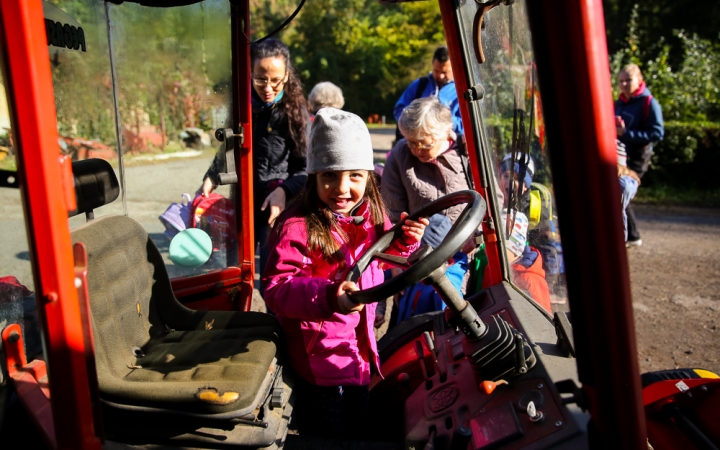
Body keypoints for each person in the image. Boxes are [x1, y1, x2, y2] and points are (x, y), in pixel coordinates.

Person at [262, 108, 428, 439]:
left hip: (359, 347)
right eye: (329, 176)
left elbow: (381, 260)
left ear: (369, 177)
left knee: (355, 424)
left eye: (354, 176)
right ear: (313, 177)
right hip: (319, 357)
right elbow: (277, 289)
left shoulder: (370, 215)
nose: (342, 188)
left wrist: (406, 241)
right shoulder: (297, 225)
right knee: (327, 433)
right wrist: (328, 296)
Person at [201, 38, 309, 273]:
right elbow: (230, 145)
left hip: (277, 209)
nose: (268, 88)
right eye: (260, 78)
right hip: (242, 204)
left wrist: (284, 191)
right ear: (249, 73)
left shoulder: (295, 113)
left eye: (276, 81)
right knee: (236, 271)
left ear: (287, 76)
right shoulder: (241, 106)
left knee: (273, 277)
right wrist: (212, 176)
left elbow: (306, 170)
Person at [382, 96, 470, 225]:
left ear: (445, 133)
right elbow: (392, 212)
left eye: (426, 144)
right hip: (422, 242)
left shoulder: (466, 150)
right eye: (412, 143)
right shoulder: (400, 155)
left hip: (471, 239)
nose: (418, 150)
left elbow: (491, 200)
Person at [614, 63, 664, 247]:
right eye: (621, 81)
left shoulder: (649, 102)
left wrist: (625, 134)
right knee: (620, 193)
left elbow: (657, 133)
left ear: (639, 80)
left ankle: (626, 237)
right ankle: (632, 236)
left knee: (621, 190)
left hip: (637, 157)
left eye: (628, 80)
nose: (624, 84)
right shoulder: (618, 102)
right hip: (618, 157)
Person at [393, 214, 470, 324]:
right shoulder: (416, 269)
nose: (414, 258)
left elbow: (448, 326)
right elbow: (379, 277)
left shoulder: (445, 287)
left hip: (423, 337)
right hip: (404, 331)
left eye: (419, 253)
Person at [393, 46, 463, 140]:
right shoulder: (420, 84)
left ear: (454, 67)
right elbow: (399, 109)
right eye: (436, 71)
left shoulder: (461, 90)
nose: (440, 76)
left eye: (445, 72)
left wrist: (440, 120)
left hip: (449, 146)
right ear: (432, 65)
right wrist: (410, 123)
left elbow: (467, 125)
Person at [499, 210, 552, 313]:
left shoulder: (530, 280)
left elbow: (540, 320)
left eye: (500, 247)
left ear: (514, 248)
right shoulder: (498, 266)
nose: (491, 251)